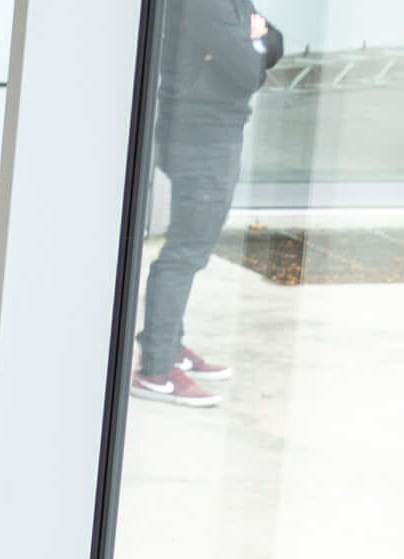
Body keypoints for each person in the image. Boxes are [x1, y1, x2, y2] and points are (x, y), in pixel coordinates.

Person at [137, 3, 281, 409]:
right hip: (201, 138)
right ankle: (156, 370)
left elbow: (276, 42)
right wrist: (253, 42)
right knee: (186, 252)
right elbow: (246, 71)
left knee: (188, 250)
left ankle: (168, 348)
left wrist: (255, 42)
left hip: (212, 133)